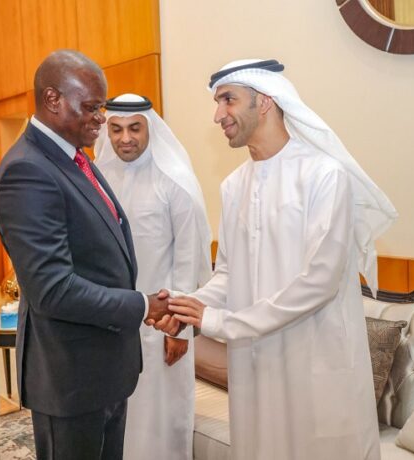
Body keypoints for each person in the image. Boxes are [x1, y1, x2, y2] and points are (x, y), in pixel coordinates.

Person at [166, 59, 398, 460]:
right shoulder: (233, 186)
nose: (218, 115)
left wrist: (220, 322)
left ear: (265, 102)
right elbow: (228, 274)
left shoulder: (324, 175)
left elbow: (319, 282)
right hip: (256, 364)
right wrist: (187, 305)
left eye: (227, 100)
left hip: (314, 359)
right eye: (218, 103)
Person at [0, 50, 173, 460]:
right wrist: (143, 305)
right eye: (91, 107)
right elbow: (53, 290)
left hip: (103, 370)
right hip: (70, 377)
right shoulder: (28, 171)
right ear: (52, 99)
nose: (100, 119)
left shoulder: (74, 159)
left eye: (100, 107)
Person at [95, 94, 212, 460]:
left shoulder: (174, 181)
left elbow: (189, 259)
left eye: (134, 128)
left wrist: (180, 329)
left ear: (150, 129)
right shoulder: (99, 178)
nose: (125, 138)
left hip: (161, 326)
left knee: (160, 419)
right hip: (112, 321)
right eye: (116, 129)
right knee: (116, 416)